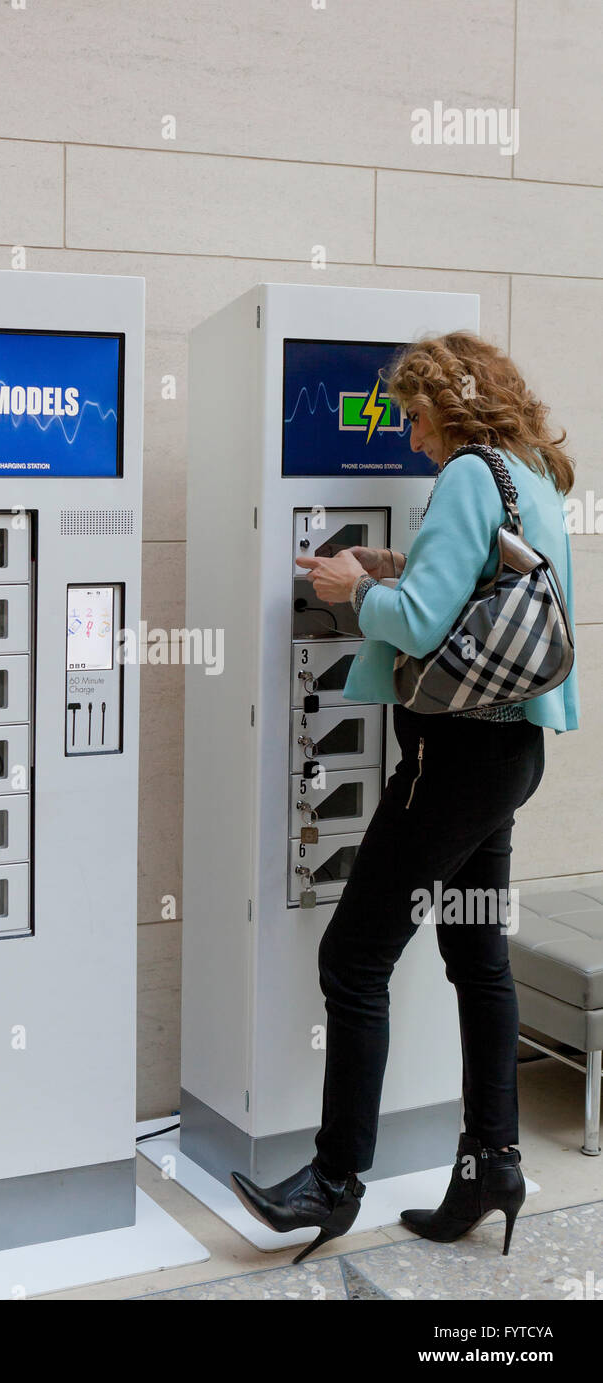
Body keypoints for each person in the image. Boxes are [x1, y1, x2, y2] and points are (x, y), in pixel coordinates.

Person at [230, 332, 579, 1262]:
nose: (410, 438)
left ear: (452, 408)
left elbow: (424, 624)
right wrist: (396, 566)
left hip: (451, 761)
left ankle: (336, 1180)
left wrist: (351, 590)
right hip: (509, 755)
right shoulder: (532, 472)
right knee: (478, 957)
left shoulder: (469, 472)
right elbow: (466, 594)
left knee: (353, 958)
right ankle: (491, 1165)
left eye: (415, 418)